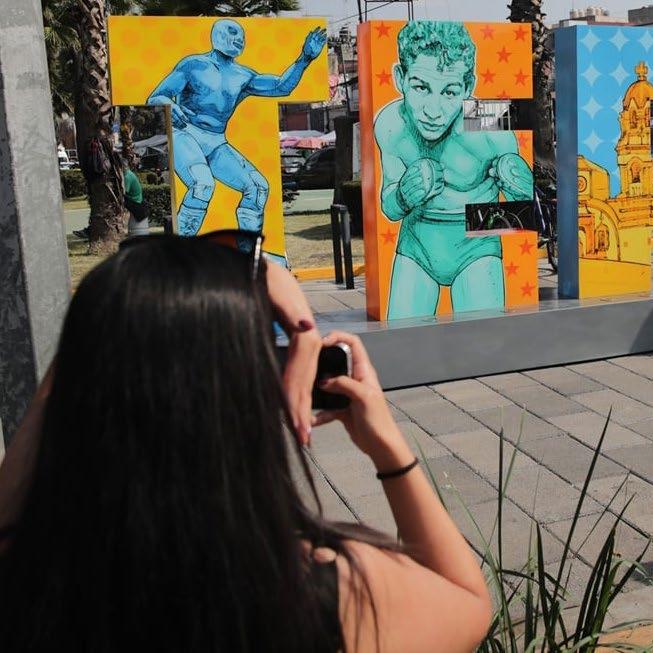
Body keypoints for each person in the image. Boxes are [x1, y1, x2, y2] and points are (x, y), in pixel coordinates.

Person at [0, 235, 492, 651]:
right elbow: (468, 603)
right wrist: (388, 447)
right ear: (243, 395)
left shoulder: (33, 577)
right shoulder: (326, 591)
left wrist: (108, 330)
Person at [376, 22, 532, 319]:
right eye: (420, 87)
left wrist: (521, 185)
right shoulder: (391, 123)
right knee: (401, 338)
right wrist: (403, 197)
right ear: (400, 78)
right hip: (416, 244)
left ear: (468, 86)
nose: (433, 111)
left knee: (483, 340)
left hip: (477, 246)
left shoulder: (489, 118)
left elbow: (524, 212)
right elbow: (389, 209)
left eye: (449, 92)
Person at [148, 20, 327, 242]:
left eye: (242, 34)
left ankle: (248, 252)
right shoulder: (193, 65)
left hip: (216, 141)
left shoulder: (243, 75)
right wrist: (169, 104)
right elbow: (157, 95)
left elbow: (281, 86)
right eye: (233, 32)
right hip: (185, 132)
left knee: (258, 188)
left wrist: (305, 58)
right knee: (202, 184)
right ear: (218, 34)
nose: (239, 38)